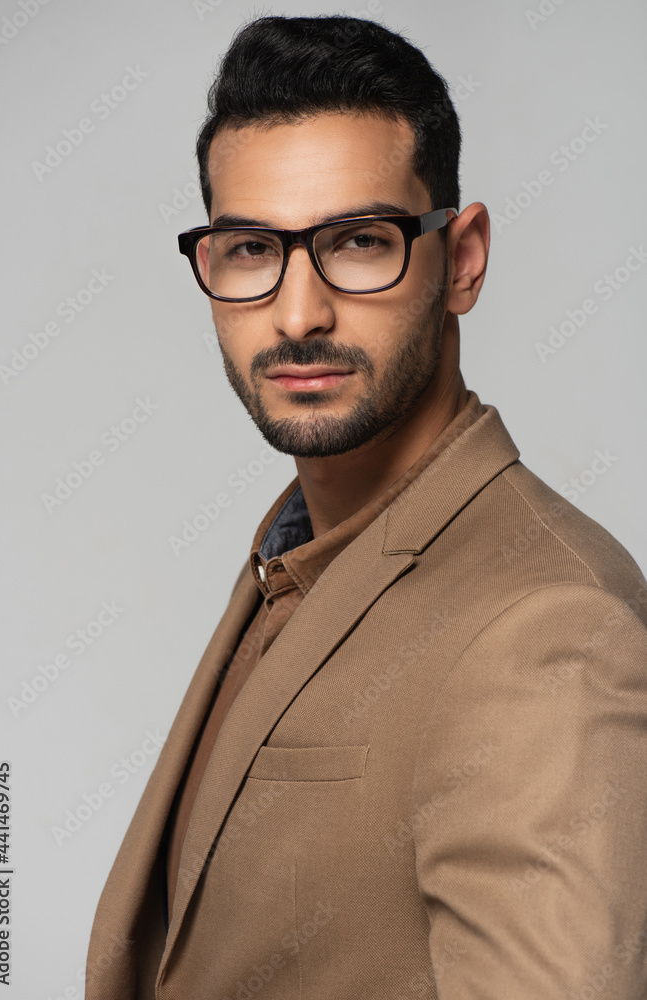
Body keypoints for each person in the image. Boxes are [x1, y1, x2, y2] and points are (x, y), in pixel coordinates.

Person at [85, 14, 647, 1000]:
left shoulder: (549, 628)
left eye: (356, 241)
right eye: (252, 248)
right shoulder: (302, 548)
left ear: (461, 258)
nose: (298, 313)